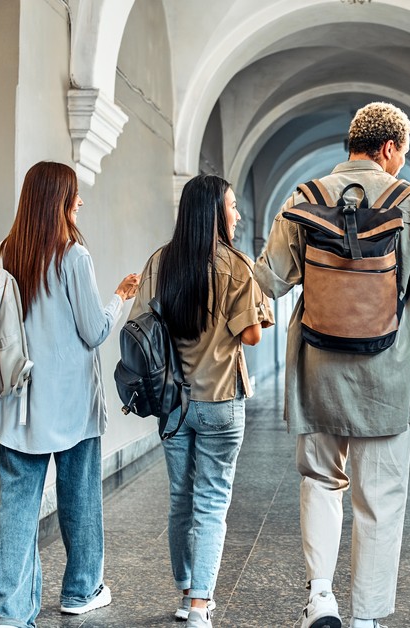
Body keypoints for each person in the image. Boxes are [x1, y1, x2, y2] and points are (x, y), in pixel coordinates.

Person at [254, 102, 410, 628]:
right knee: (379, 497)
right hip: (386, 374)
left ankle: (320, 598)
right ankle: (365, 617)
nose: (402, 163)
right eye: (402, 153)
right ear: (388, 148)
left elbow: (269, 281)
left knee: (320, 479)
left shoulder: (303, 198)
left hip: (317, 368)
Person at [0, 161, 139, 628]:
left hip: (18, 401)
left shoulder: (0, 254)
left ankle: (9, 613)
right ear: (58, 201)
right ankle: (81, 590)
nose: (80, 202)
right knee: (80, 498)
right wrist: (119, 297)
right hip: (72, 403)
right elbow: (93, 331)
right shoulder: (73, 256)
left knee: (17, 508)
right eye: (74, 194)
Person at [128, 174, 273, 628]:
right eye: (231, 207)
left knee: (180, 496)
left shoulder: (160, 262)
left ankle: (186, 589)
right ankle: (198, 605)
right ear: (213, 212)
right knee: (211, 501)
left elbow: (139, 327)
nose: (237, 215)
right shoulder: (237, 265)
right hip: (220, 400)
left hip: (173, 402)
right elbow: (251, 335)